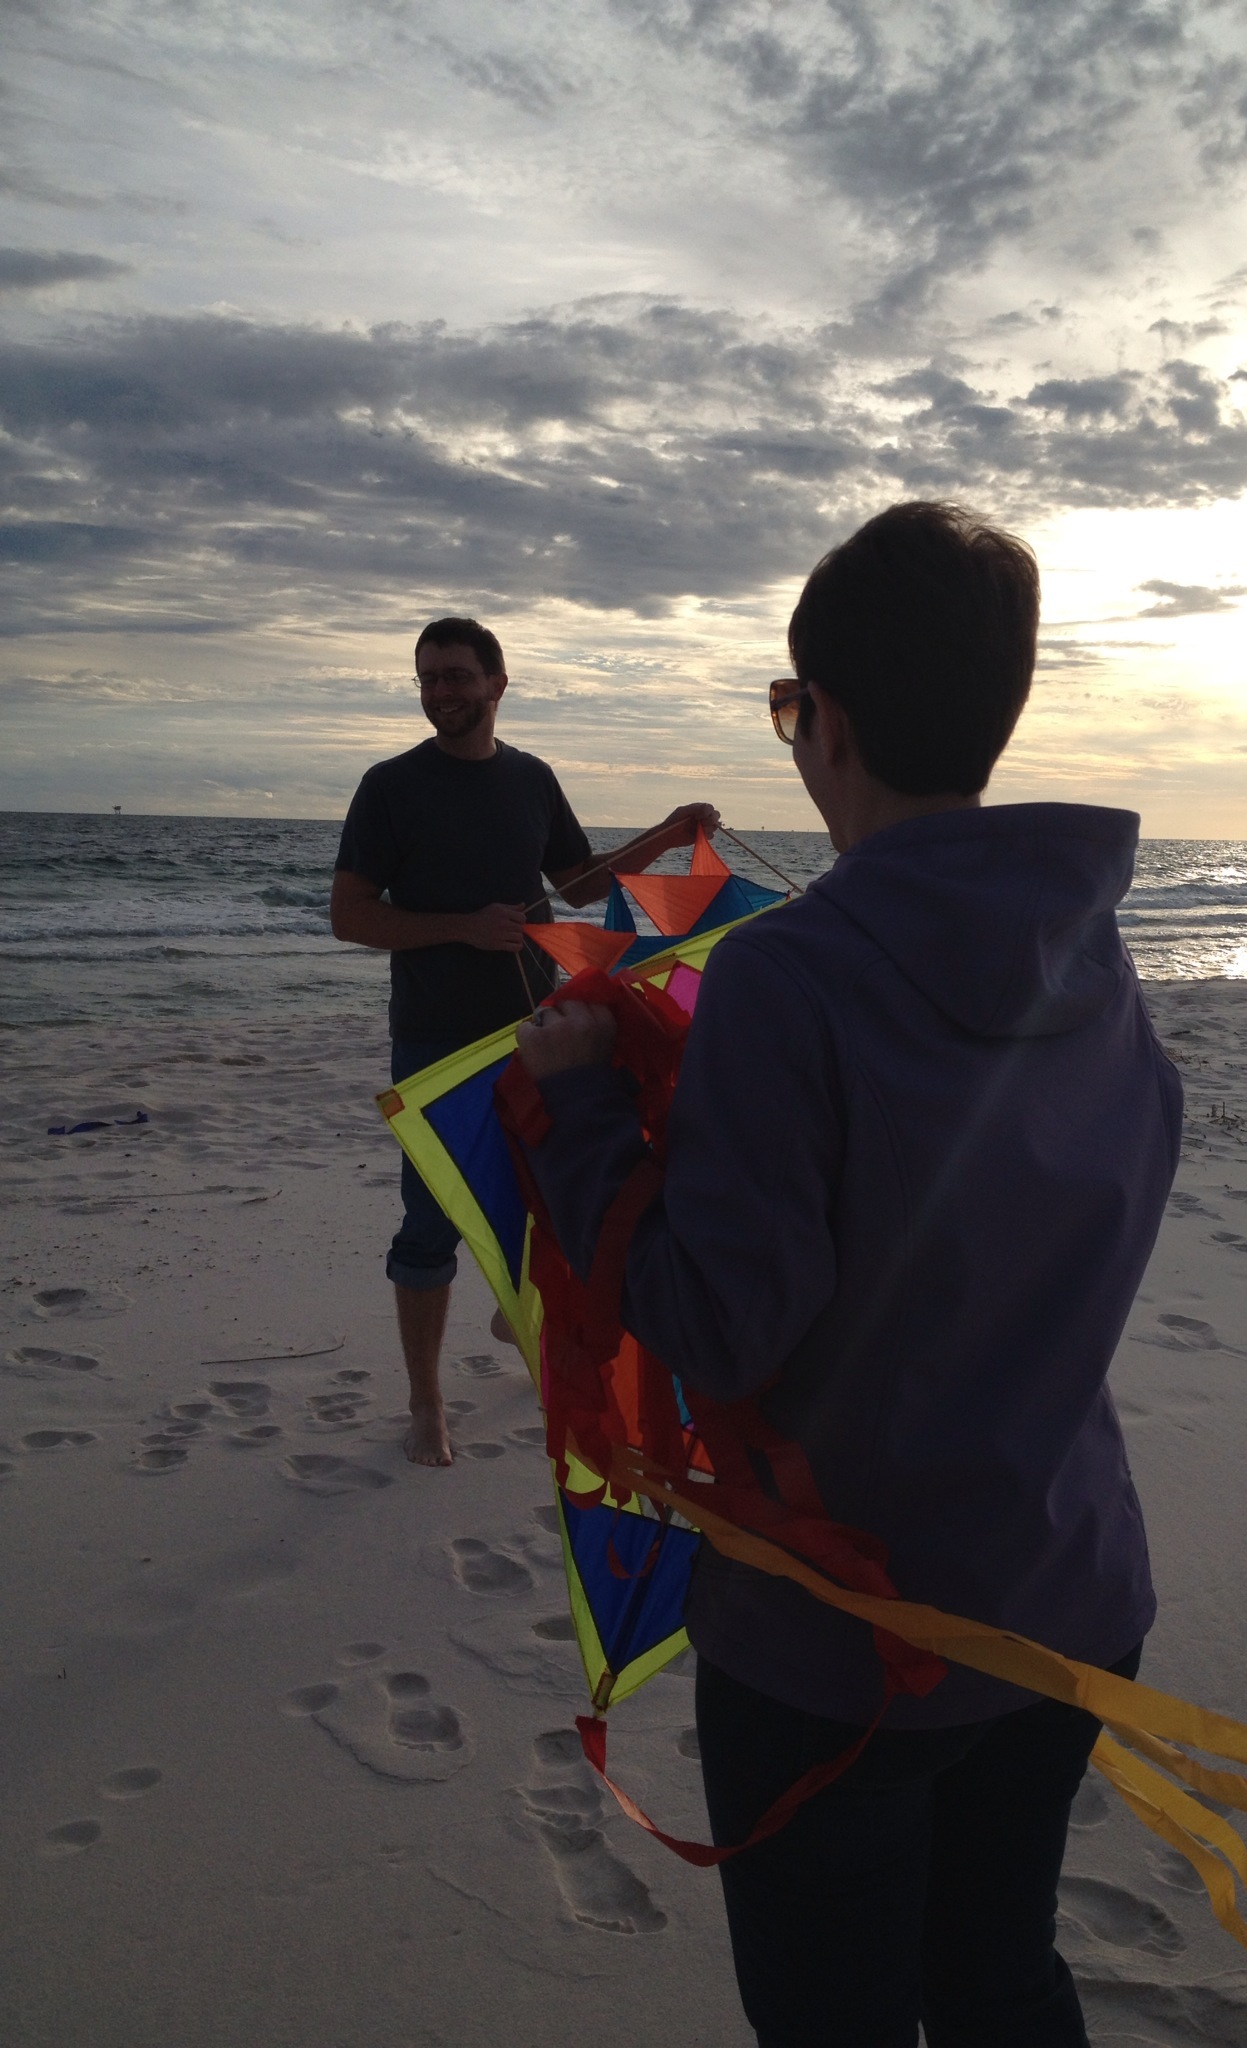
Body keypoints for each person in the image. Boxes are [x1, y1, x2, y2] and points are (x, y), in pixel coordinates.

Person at [514, 504, 1182, 2048]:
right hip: (1066, 1591)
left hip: (848, 1644)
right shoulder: (1089, 947)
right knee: (1001, 1978)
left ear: (828, 722)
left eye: (787, 706)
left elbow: (718, 1325)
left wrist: (587, 1115)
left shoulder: (789, 972)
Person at [331, 615, 717, 1467]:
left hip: (537, 1030)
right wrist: (463, 927)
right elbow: (349, 916)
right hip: (435, 1041)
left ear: (497, 685)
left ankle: (516, 1318)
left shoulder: (532, 779)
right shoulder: (390, 786)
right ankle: (427, 1402)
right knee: (429, 1220)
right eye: (429, 678)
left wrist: (667, 834)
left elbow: (577, 886)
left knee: (552, 1193)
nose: (441, 692)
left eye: (457, 676)